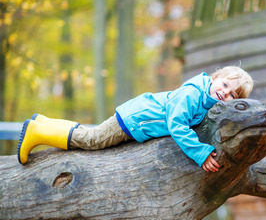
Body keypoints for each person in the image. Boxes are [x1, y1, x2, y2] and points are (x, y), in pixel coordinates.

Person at [17, 66, 253, 172]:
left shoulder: (204, 98)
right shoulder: (193, 94)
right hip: (135, 119)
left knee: (93, 132)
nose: (225, 93)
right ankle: (36, 132)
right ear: (215, 78)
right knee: (92, 139)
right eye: (224, 85)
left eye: (232, 94)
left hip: (138, 115)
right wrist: (200, 153)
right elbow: (177, 124)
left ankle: (45, 122)